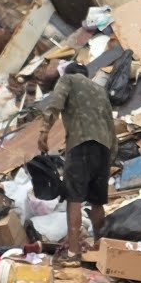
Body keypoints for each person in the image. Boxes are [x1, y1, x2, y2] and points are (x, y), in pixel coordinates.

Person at [38, 63, 116, 259]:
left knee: (74, 197)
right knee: (97, 201)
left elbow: (55, 104)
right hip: (103, 148)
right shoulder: (100, 90)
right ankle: (100, 248)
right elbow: (110, 124)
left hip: (81, 144)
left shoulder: (68, 80)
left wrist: (44, 132)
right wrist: (111, 155)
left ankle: (73, 251)